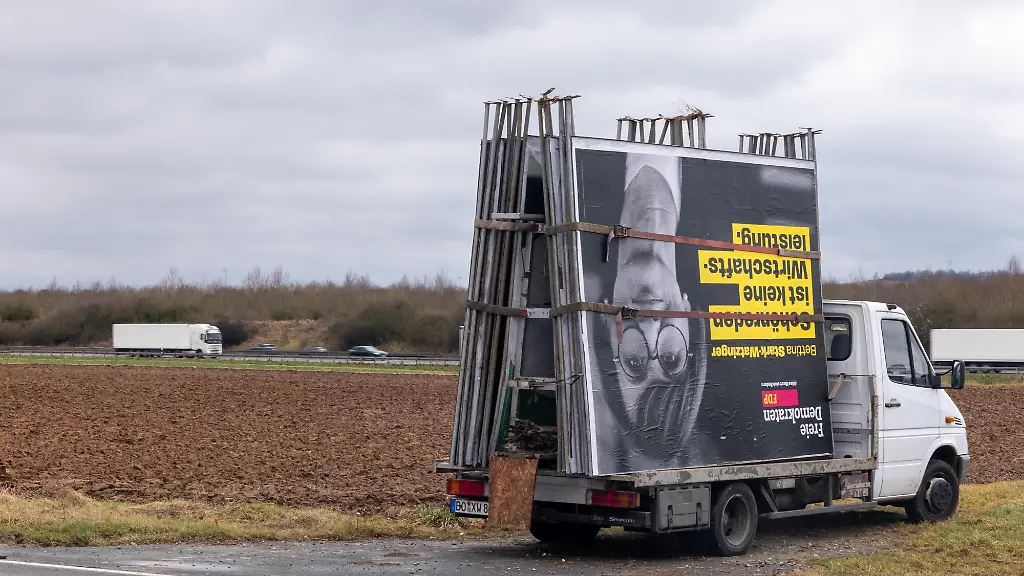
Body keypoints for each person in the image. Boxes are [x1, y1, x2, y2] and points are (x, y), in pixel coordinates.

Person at [588, 151, 710, 475]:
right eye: (671, 357)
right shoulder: (712, 180)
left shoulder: (577, 184)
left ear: (605, 326)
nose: (652, 326)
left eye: (634, 361)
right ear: (690, 316)